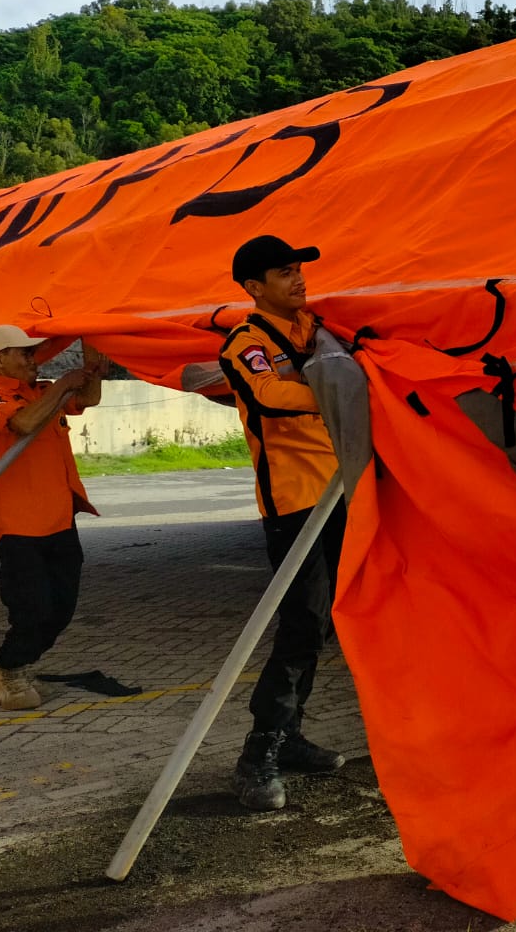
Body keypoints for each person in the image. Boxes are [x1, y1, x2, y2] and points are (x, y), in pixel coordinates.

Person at [219, 234, 348, 811]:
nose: (297, 279)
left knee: (320, 625)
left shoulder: (317, 325)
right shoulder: (245, 343)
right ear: (253, 287)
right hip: (294, 502)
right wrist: (337, 387)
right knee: (299, 627)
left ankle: (290, 737)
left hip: (342, 489)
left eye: (298, 269)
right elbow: (269, 395)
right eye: (283, 273)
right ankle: (259, 754)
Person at [0, 326, 108, 710]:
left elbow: (88, 398)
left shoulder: (41, 392)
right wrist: (63, 384)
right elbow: (24, 423)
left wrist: (92, 359)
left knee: (62, 606)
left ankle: (8, 666)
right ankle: (11, 673)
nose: (33, 360)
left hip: (59, 517)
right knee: (31, 608)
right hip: (19, 524)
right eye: (23, 354)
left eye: (32, 354)